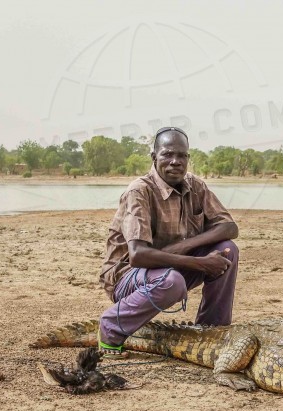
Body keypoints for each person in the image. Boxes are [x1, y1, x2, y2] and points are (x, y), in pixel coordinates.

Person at [97, 127, 239, 358]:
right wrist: (201, 263)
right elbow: (138, 256)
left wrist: (184, 246)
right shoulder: (139, 191)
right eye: (168, 155)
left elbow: (229, 227)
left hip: (169, 268)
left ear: (188, 159)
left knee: (227, 250)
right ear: (155, 158)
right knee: (172, 282)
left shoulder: (196, 186)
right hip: (128, 276)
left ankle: (211, 331)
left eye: (182, 156)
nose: (175, 161)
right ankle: (111, 327)